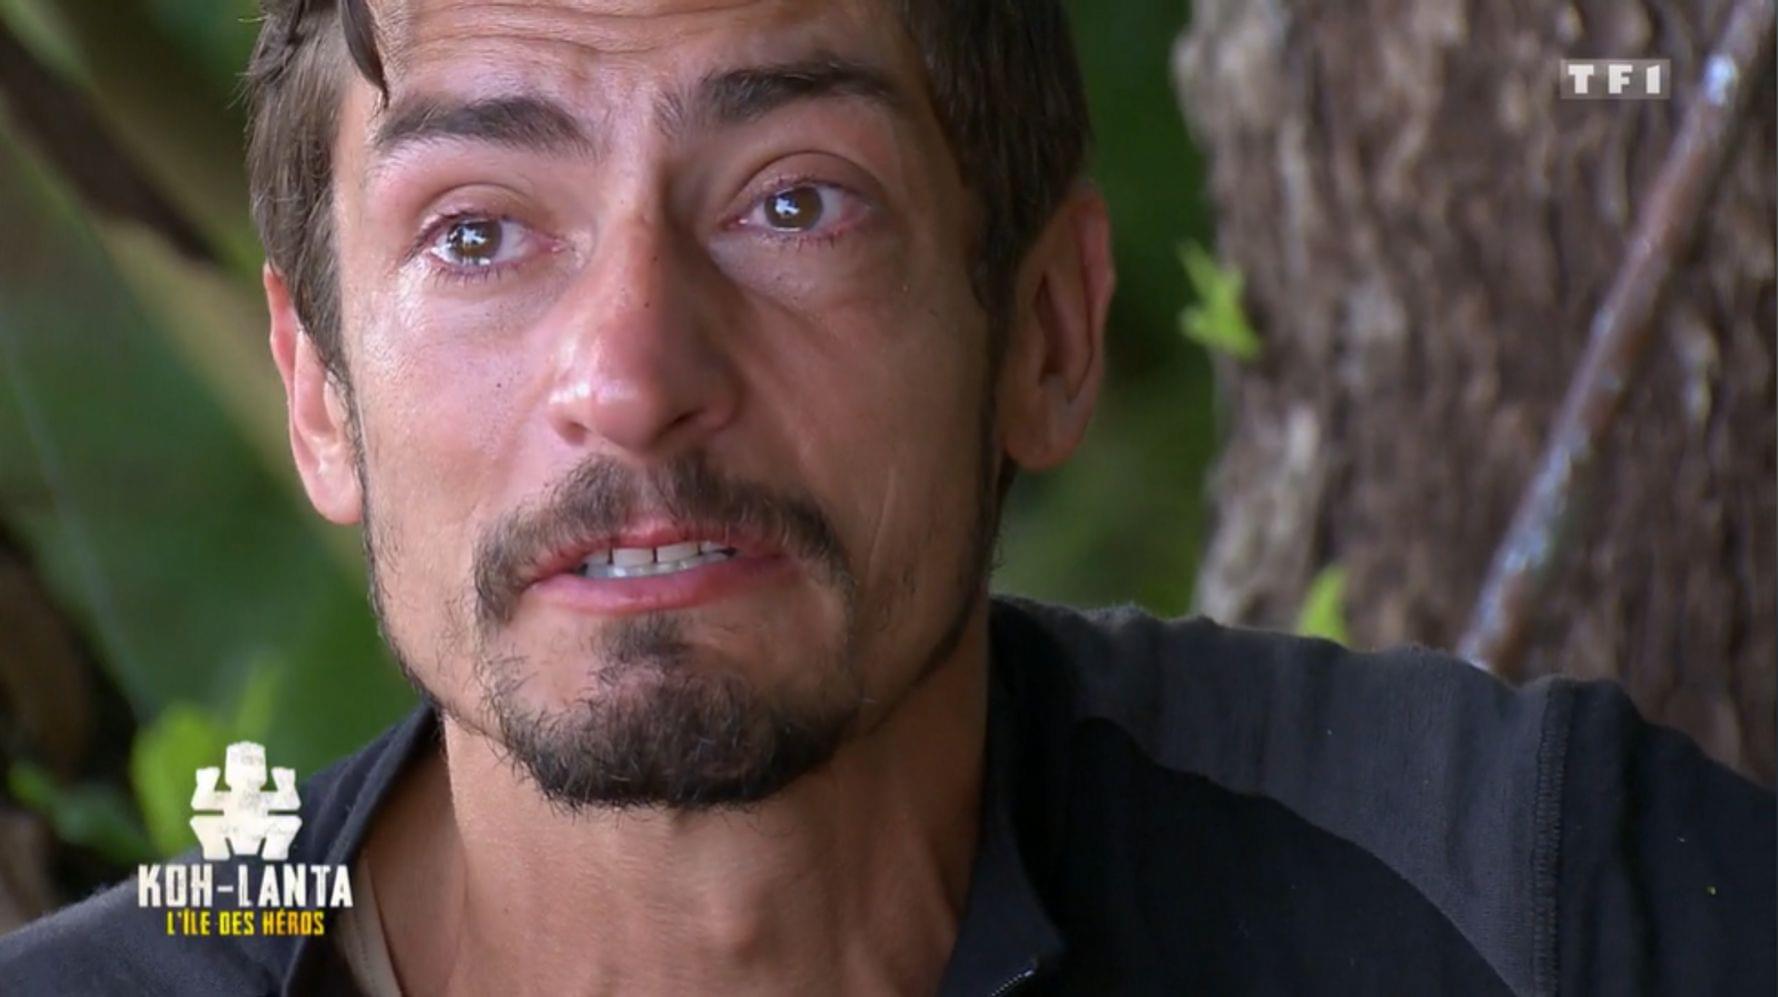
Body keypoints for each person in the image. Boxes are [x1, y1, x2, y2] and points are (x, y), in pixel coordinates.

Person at [2, 0, 1772, 993]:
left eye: (794, 202)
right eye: (476, 233)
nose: (631, 371)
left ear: (1048, 333)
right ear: (318, 389)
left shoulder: (1513, 896)